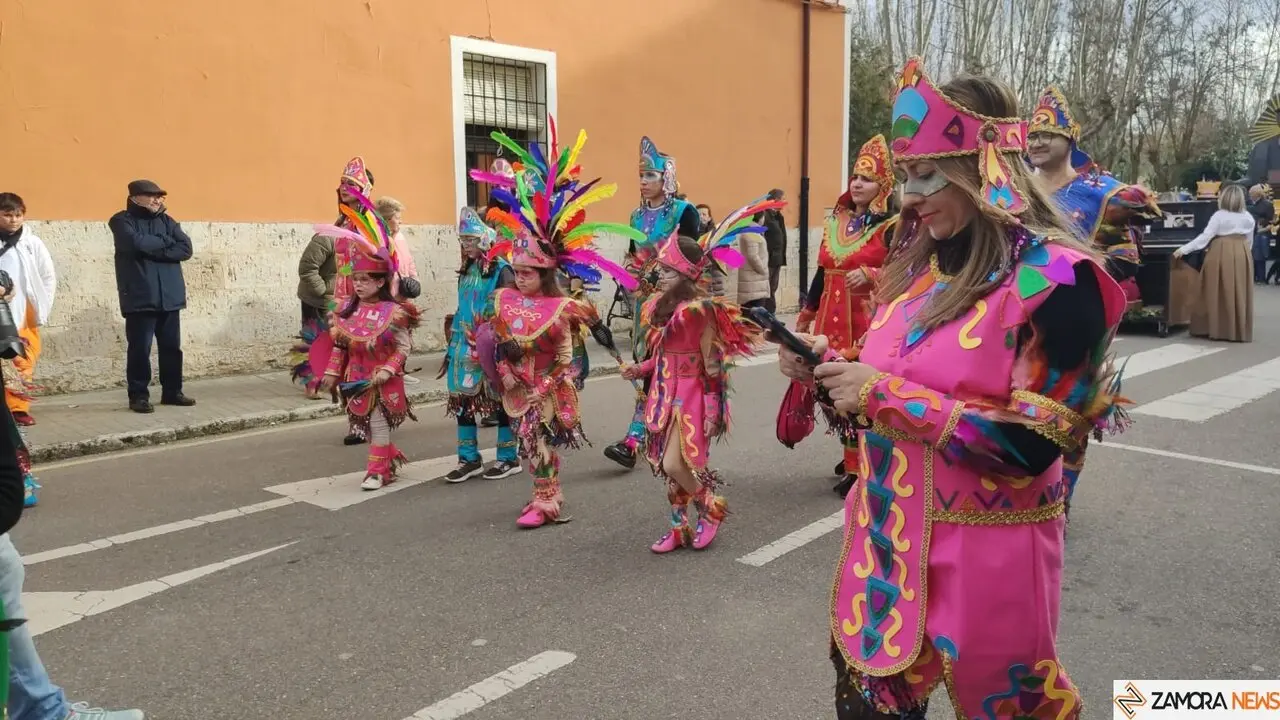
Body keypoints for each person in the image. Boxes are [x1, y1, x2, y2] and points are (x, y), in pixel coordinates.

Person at [777, 58, 1128, 719]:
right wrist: (832, 375)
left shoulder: (1059, 282)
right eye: (906, 176)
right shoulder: (918, 274)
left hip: (988, 570)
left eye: (927, 174)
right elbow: (884, 400)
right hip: (882, 559)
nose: (909, 197)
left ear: (986, 166)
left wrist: (878, 391)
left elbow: (1035, 446)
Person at [471, 118, 640, 528]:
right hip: (519, 385)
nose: (521, 277)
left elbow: (566, 360)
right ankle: (544, 492)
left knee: (539, 438)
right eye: (518, 270)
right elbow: (497, 339)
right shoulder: (504, 300)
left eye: (530, 272)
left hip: (547, 386)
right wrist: (507, 374)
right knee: (528, 442)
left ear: (545, 273)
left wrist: (540, 387)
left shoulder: (561, 309)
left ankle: (548, 502)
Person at [623, 208, 766, 553]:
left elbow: (714, 365)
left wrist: (715, 410)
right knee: (669, 470)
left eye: (669, 270)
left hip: (690, 399)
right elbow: (660, 358)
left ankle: (709, 506)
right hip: (661, 395)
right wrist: (639, 370)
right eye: (661, 268)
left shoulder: (701, 312)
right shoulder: (659, 307)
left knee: (676, 463)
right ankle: (679, 528)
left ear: (686, 275)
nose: (661, 275)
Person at [792, 136, 897, 498]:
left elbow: (907, 271)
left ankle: (858, 464)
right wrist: (806, 313)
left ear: (883, 185)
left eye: (866, 179)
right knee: (829, 389)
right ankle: (852, 451)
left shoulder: (894, 226)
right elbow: (822, 273)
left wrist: (872, 275)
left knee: (856, 391)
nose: (857, 183)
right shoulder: (837, 221)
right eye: (855, 176)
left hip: (866, 323)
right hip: (829, 319)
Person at [603, 137, 702, 471]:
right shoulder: (635, 215)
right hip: (643, 301)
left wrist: (671, 282)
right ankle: (647, 431)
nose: (643, 182)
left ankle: (634, 438)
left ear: (666, 178)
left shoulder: (683, 212)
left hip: (673, 299)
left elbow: (692, 254)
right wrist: (630, 270)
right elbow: (634, 254)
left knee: (658, 364)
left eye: (650, 176)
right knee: (645, 362)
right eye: (641, 176)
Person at [316, 194, 420, 491]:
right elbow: (340, 347)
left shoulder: (394, 312)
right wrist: (331, 375)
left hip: (383, 379)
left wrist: (389, 369)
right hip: (358, 379)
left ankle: (376, 471)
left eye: (366, 279)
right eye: (356, 278)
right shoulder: (347, 313)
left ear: (380, 282)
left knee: (378, 423)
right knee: (371, 427)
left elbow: (403, 347)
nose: (358, 284)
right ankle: (387, 461)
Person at [1027, 86, 1161, 308]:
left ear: (1070, 140)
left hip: (1073, 306)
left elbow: (1125, 260)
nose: (1036, 143)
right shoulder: (1017, 191)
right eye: (1032, 137)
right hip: (1016, 301)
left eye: (1047, 135)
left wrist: (1066, 279)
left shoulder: (1101, 193)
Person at [294, 157, 378, 445]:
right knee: (346, 363)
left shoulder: (372, 224)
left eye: (352, 184)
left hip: (367, 303)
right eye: (342, 183)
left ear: (364, 190)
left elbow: (383, 260)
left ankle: (374, 419)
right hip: (341, 304)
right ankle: (356, 422)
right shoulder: (338, 225)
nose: (345, 188)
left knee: (367, 362)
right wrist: (333, 302)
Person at [441, 207, 520, 483]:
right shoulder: (467, 269)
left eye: (471, 240)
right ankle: (469, 458)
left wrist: (499, 339)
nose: (466, 245)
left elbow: (507, 306)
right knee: (462, 400)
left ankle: (509, 457)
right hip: (463, 342)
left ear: (485, 239)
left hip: (492, 342)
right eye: (462, 240)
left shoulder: (502, 269)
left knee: (499, 399)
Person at [108, 180, 195, 414]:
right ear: (136, 197)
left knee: (171, 348)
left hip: (170, 296)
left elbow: (185, 248)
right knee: (140, 349)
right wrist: (167, 244)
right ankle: (138, 395)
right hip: (140, 296)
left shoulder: (167, 220)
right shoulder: (121, 220)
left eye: (161, 197)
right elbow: (133, 243)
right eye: (153, 196)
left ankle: (172, 392)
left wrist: (153, 248)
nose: (158, 200)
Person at [1173, 184, 1255, 342]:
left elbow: (1205, 238)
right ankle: (1235, 329)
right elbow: (1249, 241)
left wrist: (1183, 249)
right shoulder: (1248, 217)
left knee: (1212, 288)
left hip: (1220, 251)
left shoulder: (1219, 216)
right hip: (1242, 253)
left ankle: (1212, 327)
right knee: (1237, 291)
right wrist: (1244, 255)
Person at [0, 195, 55, 428]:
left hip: (23, 313)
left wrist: (41, 307)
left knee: (22, 361)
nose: (13, 220)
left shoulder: (32, 243)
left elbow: (47, 275)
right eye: (7, 215)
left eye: (18, 215)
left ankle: (18, 408)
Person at [762, 188, 787, 308]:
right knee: (768, 289)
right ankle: (770, 315)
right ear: (776, 200)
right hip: (769, 259)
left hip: (777, 258)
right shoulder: (765, 216)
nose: (785, 201)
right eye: (783, 199)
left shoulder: (778, 216)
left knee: (773, 287)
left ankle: (771, 315)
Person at [1247, 184, 1275, 283]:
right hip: (1251, 232)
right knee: (1251, 256)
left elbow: (1271, 220)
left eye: (1251, 193)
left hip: (1262, 232)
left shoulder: (1267, 205)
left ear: (1256, 194)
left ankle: (1261, 278)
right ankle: (1253, 277)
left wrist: (1263, 226)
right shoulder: (1249, 204)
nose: (1249, 195)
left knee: (1260, 256)